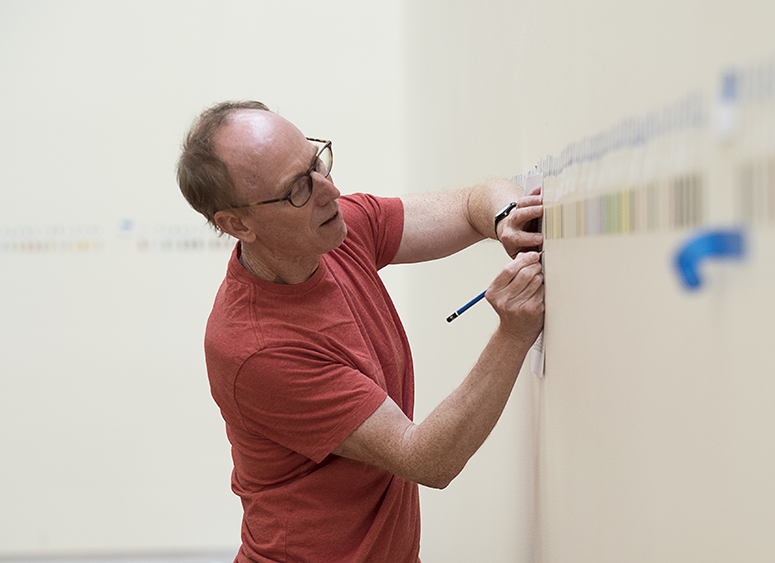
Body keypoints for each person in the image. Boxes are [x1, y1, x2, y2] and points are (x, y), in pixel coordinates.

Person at [176, 100, 544, 562]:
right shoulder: (256, 349)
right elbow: (428, 458)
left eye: (317, 163)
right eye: (297, 189)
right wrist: (512, 335)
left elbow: (475, 203)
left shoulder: (339, 229)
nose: (328, 191)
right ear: (237, 223)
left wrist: (506, 215)